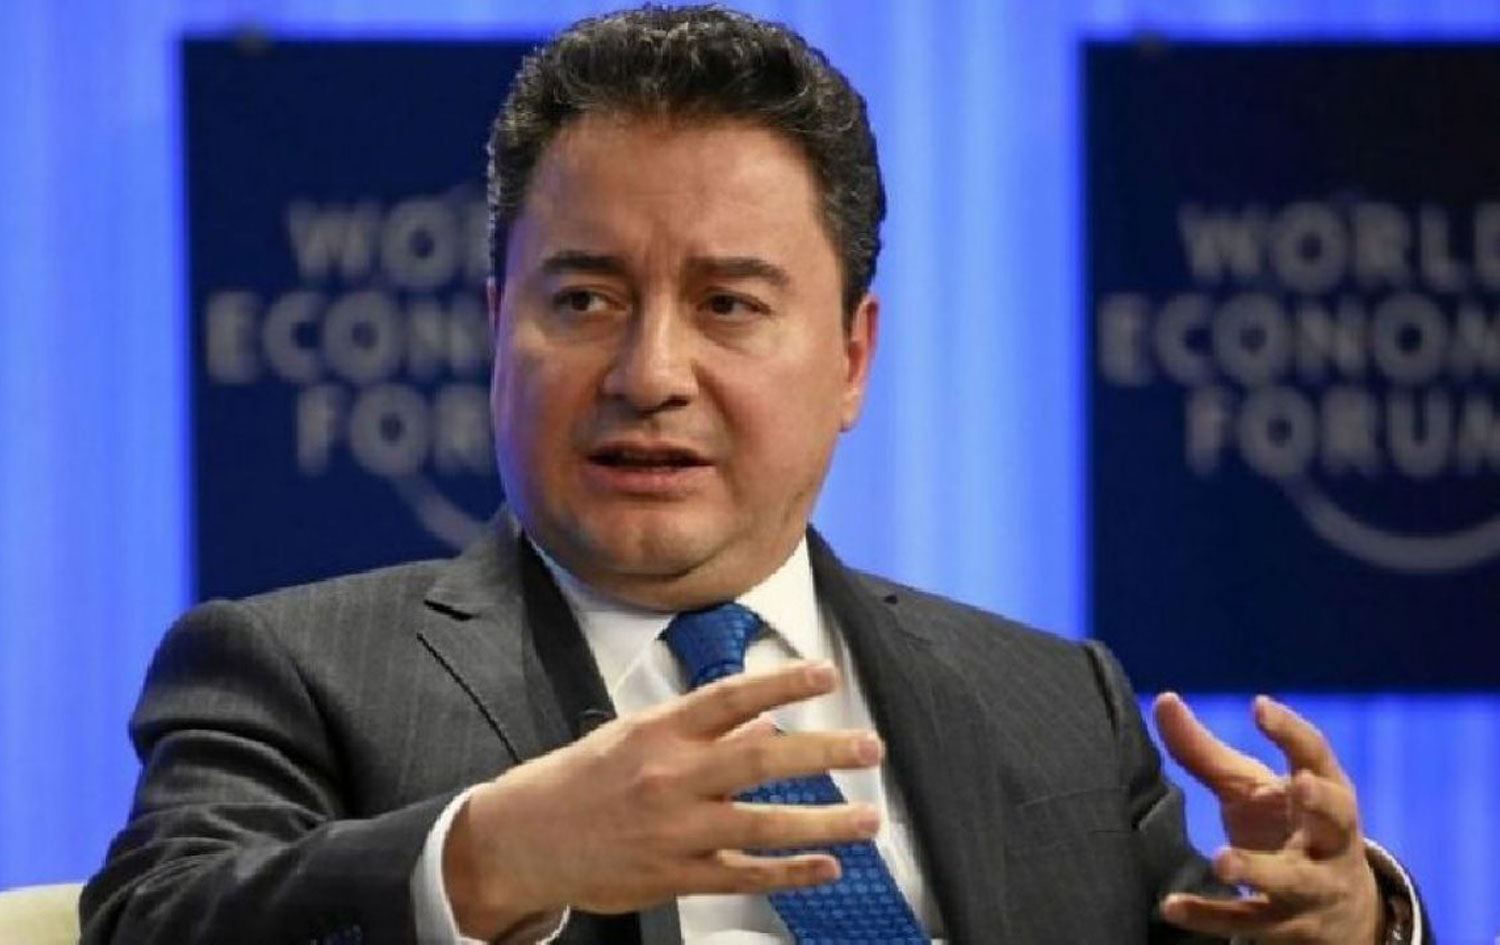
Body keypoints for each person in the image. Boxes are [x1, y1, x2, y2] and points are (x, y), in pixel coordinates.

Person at [81, 6, 1427, 944]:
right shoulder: (296, 671)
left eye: (728, 305)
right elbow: (152, 923)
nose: (649, 371)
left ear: (851, 358)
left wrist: (1349, 919)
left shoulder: (1052, 702)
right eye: (586, 299)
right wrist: (491, 856)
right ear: (497, 326)